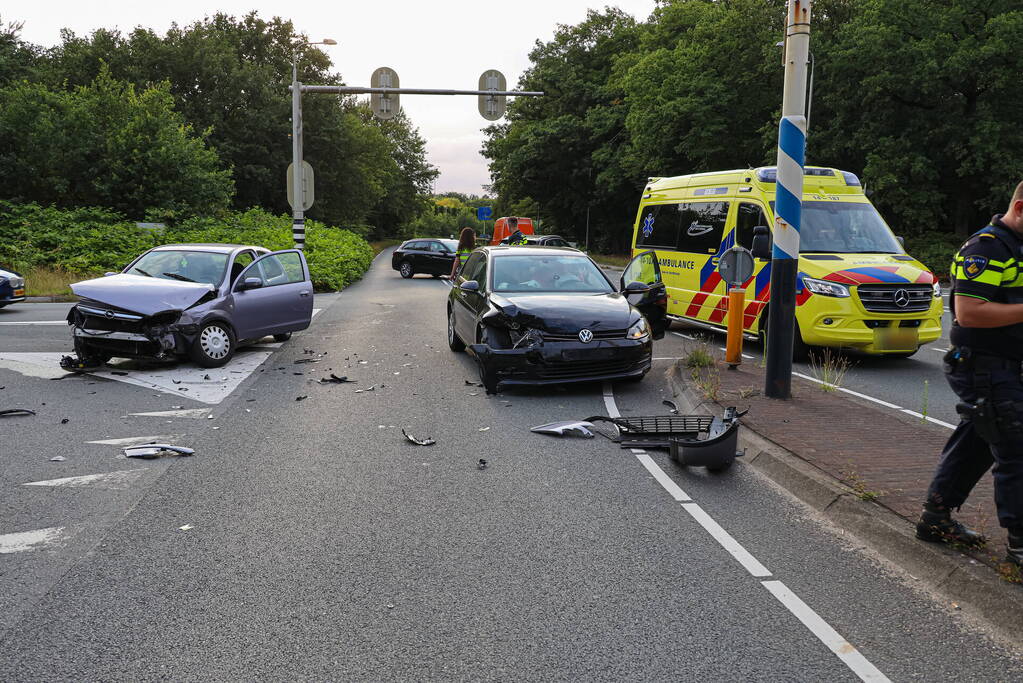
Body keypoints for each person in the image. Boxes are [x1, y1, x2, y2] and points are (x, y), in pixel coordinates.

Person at [918, 181, 1023, 568]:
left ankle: (936, 518)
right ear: (1020, 207)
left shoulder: (1017, 248)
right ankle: (1019, 546)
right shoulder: (987, 248)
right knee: (1016, 447)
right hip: (982, 362)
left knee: (979, 438)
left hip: (1007, 363)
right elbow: (970, 312)